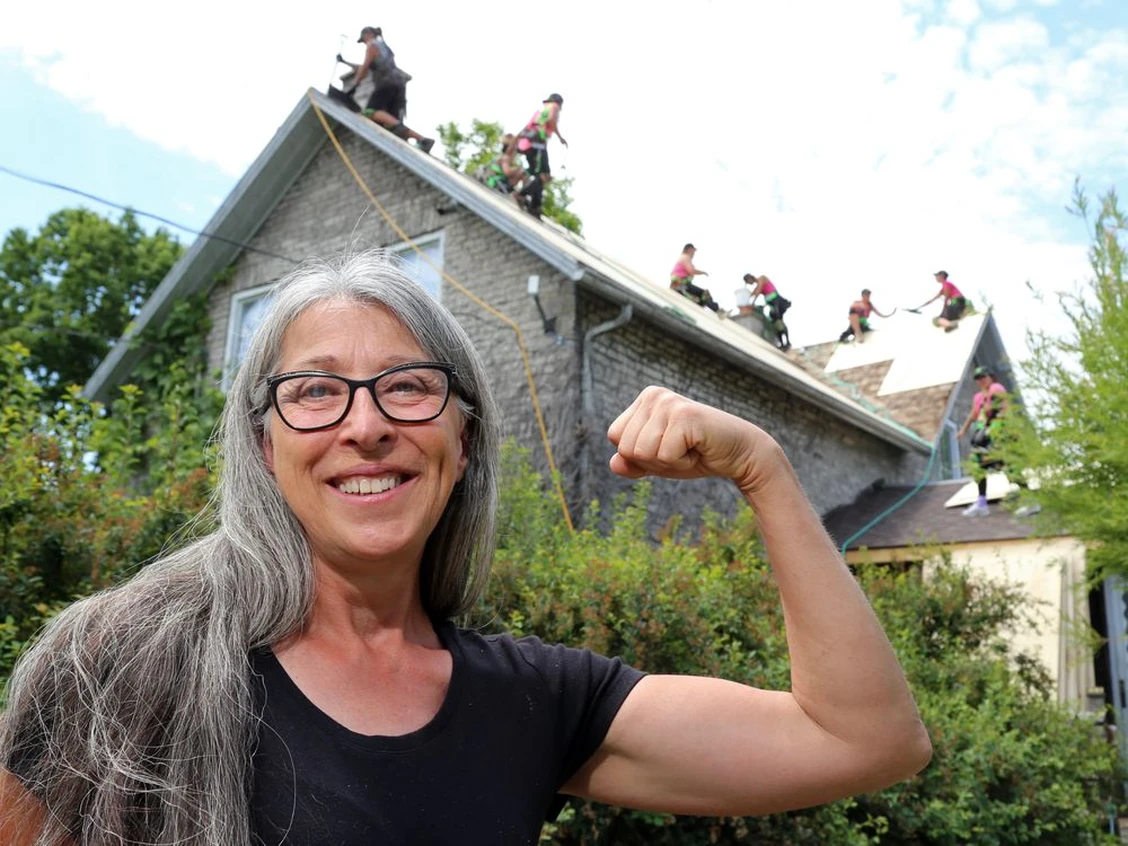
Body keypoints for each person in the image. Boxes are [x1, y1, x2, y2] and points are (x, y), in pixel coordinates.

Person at [0, 251, 930, 845]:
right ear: (263, 445)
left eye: (407, 386)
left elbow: (862, 741)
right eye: (316, 393)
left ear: (465, 440)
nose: (365, 427)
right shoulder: (119, 666)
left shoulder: (529, 701)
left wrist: (763, 470)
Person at [344, 26, 435, 154]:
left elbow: (364, 69)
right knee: (391, 120)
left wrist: (355, 84)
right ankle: (418, 141)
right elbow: (370, 66)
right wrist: (345, 62)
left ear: (368, 35)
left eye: (363, 39)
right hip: (398, 85)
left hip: (385, 84)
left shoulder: (372, 46)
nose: (364, 42)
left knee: (370, 112)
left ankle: (420, 138)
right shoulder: (383, 46)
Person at [956, 365, 1010, 517]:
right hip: (984, 434)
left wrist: (996, 428)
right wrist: (963, 430)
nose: (981, 381)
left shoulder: (996, 388)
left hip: (998, 431)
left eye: (983, 377)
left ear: (990, 377)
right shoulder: (978, 397)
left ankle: (1030, 499)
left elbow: (1000, 409)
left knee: (1009, 465)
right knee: (977, 466)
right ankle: (981, 503)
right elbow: (974, 414)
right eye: (978, 379)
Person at [514, 94, 568, 218]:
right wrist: (560, 137)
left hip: (528, 143)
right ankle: (521, 195)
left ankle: (535, 206)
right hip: (537, 144)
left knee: (539, 176)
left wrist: (516, 141)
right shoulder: (554, 107)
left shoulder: (542, 109)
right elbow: (551, 120)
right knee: (545, 175)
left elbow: (527, 127)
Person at [743, 273, 792, 350]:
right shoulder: (757, 285)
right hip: (771, 304)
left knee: (778, 321)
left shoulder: (762, 278)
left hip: (776, 302)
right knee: (775, 323)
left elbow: (758, 291)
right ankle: (782, 343)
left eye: (749, 282)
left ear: (750, 278)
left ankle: (787, 342)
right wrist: (746, 297)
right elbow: (754, 293)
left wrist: (752, 303)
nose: (750, 283)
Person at [670, 243, 722, 313]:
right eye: (693, 251)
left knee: (699, 299)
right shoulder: (685, 257)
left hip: (681, 285)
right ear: (689, 250)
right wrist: (702, 272)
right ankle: (717, 311)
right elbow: (691, 270)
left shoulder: (683, 258)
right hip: (681, 286)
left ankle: (709, 309)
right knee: (704, 294)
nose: (693, 254)